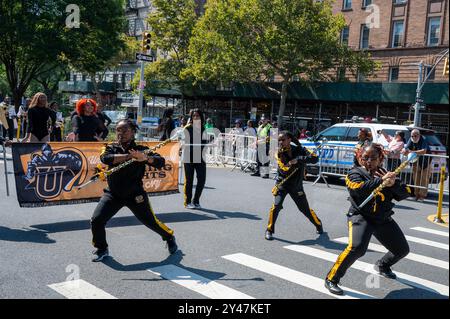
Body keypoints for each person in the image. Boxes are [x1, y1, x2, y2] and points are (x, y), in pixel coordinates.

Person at [324, 143, 412, 295]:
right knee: (357, 248)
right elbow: (357, 189)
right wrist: (380, 181)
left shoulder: (385, 173)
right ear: (359, 158)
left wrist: (393, 184)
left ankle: (383, 265)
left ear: (380, 159)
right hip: (361, 216)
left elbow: (406, 193)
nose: (369, 161)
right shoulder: (354, 173)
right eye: (365, 158)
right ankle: (332, 278)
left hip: (382, 218)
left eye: (373, 158)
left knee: (402, 250)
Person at [90, 119, 178, 262]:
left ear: (133, 132)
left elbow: (161, 162)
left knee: (151, 222)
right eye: (118, 130)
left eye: (124, 130)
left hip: (135, 195)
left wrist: (145, 158)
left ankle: (169, 237)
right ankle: (102, 248)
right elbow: (106, 158)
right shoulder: (109, 147)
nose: (121, 133)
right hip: (113, 194)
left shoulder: (142, 150)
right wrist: (129, 156)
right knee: (97, 220)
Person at [265, 131, 323, 240]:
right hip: (282, 183)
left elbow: (315, 158)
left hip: (296, 185)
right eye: (279, 140)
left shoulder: (299, 149)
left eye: (283, 140)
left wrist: (300, 159)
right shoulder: (277, 152)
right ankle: (269, 230)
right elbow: (285, 168)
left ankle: (318, 224)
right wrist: (294, 163)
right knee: (276, 207)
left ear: (289, 140)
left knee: (304, 209)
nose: (281, 142)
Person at [182, 109, 208, 209]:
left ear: (201, 117)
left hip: (200, 157)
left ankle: (196, 201)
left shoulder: (203, 128)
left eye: (198, 116)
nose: (196, 117)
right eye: (194, 116)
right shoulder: (187, 128)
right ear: (191, 117)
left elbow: (205, 142)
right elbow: (183, 141)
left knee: (202, 180)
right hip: (188, 157)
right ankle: (188, 202)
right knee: (189, 180)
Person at [402, 129, 431, 201]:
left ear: (419, 135)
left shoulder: (423, 139)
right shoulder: (411, 139)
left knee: (424, 179)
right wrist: (404, 150)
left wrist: (412, 151)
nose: (414, 137)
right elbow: (406, 149)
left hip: (426, 162)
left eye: (415, 136)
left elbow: (423, 151)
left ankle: (422, 196)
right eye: (412, 136)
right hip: (415, 161)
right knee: (416, 179)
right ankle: (416, 195)